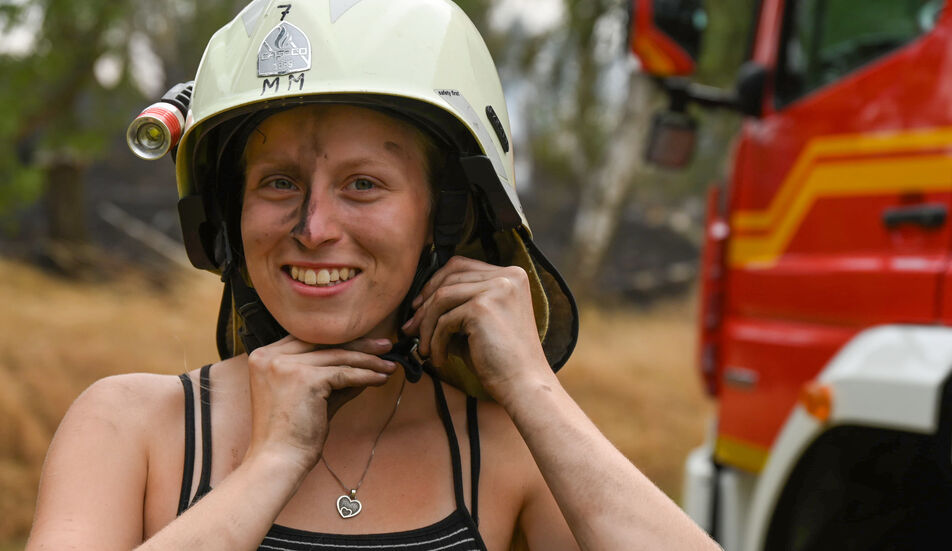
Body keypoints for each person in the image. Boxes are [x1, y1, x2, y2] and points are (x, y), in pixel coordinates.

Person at [26, 1, 720, 549]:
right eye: (277, 182)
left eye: (363, 183)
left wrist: (533, 387)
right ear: (224, 214)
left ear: (444, 216)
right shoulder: (128, 427)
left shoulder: (510, 447)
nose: (314, 226)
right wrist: (271, 464)